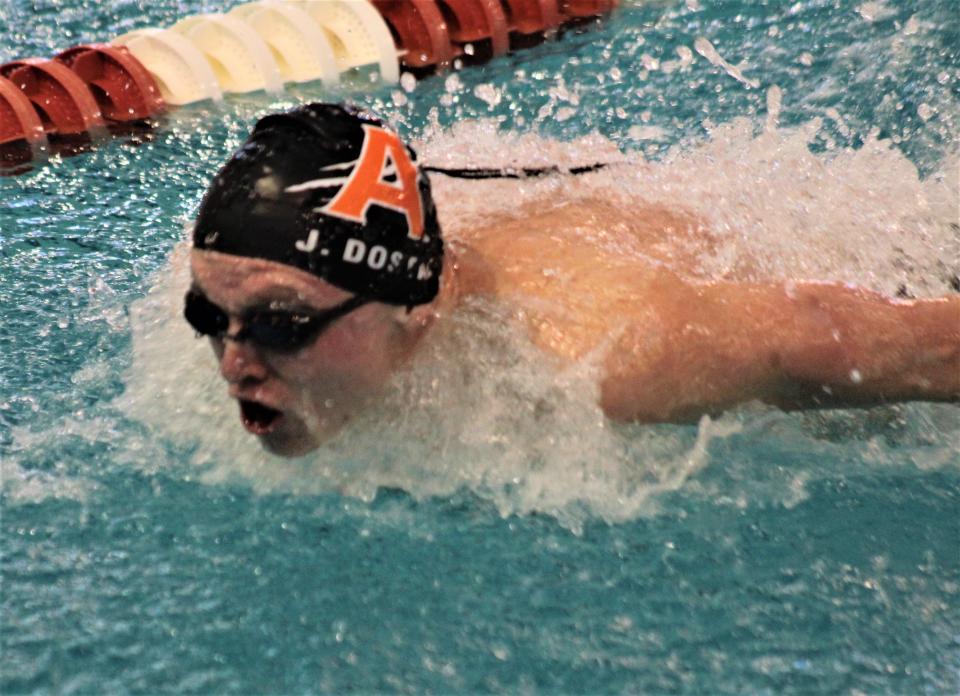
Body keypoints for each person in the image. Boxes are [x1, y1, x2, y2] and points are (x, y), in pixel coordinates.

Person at [186, 103, 960, 457]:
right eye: (207, 315)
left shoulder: (598, 357)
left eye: (281, 325)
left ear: (410, 311)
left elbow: (821, 333)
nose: (232, 361)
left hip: (874, 254)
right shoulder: (250, 270)